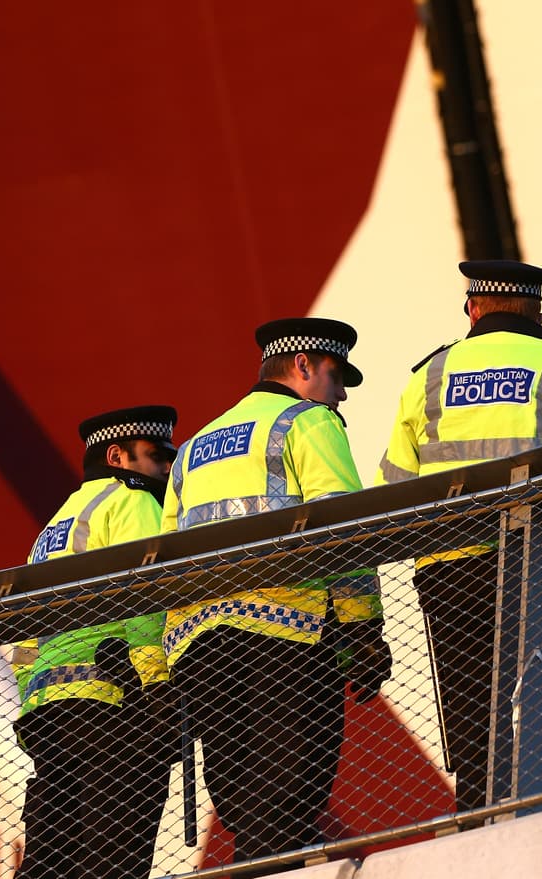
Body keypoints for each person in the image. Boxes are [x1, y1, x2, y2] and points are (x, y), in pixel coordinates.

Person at [377, 259, 542, 816]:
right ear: (536, 310)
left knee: (476, 722)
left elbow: (393, 491)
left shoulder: (428, 378)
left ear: (472, 309)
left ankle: (484, 825)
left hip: (450, 577)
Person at [160, 318, 390, 872]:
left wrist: (166, 662)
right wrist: (364, 628)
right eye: (336, 377)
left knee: (243, 801)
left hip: (198, 647)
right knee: (293, 789)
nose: (341, 395)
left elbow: (164, 558)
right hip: (285, 633)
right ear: (303, 366)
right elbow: (343, 528)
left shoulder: (191, 450)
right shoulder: (308, 421)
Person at [13, 405, 181, 879]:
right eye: (156, 455)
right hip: (114, 702)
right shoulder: (134, 502)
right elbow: (145, 593)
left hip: (47, 713)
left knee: (51, 856)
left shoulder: (54, 526)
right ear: (117, 456)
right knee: (113, 857)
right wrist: (157, 684)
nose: (166, 467)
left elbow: (22, 633)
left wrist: (30, 692)